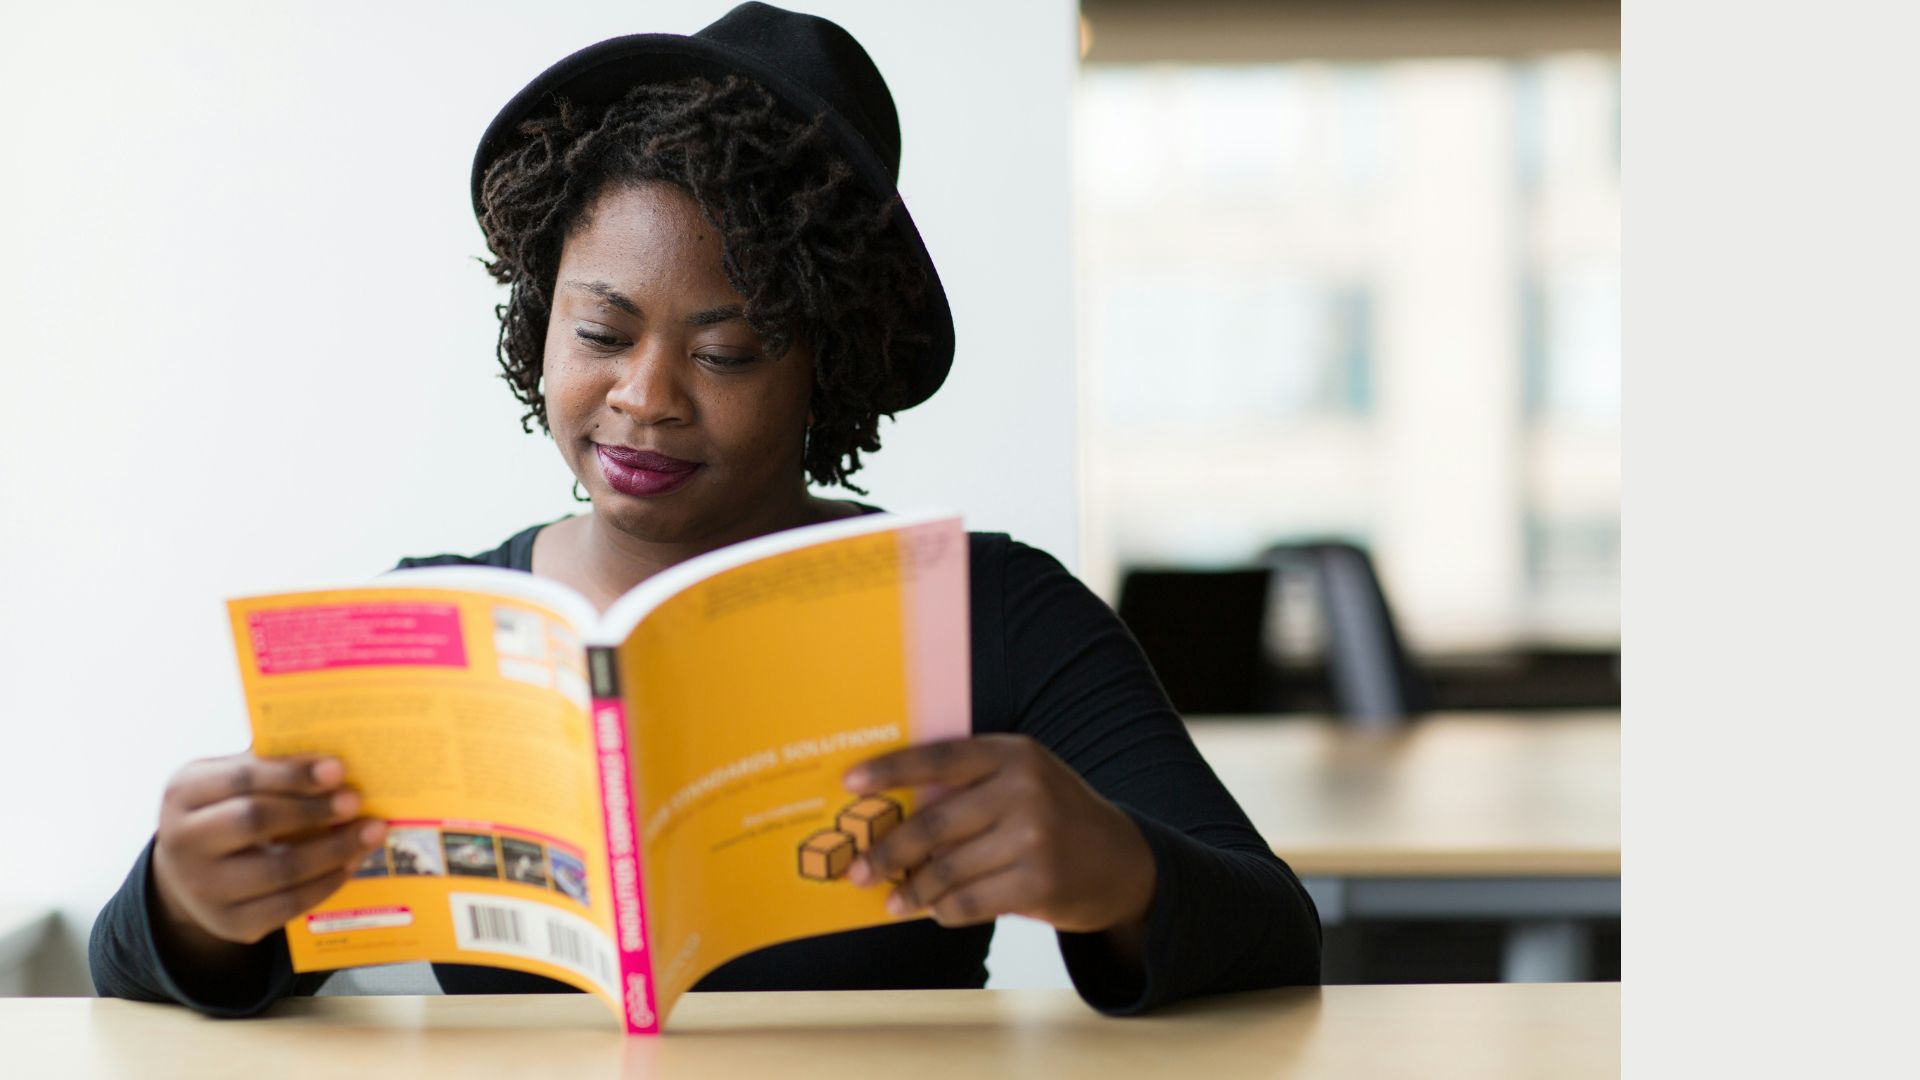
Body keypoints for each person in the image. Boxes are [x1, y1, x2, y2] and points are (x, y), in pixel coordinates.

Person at [89, 2, 1320, 1016]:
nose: (645, 397)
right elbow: (151, 966)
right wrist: (195, 904)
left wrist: (1118, 873)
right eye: (601, 333)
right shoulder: (435, 624)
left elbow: (1276, 936)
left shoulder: (992, 613)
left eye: (726, 354)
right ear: (539, 327)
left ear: (818, 370)